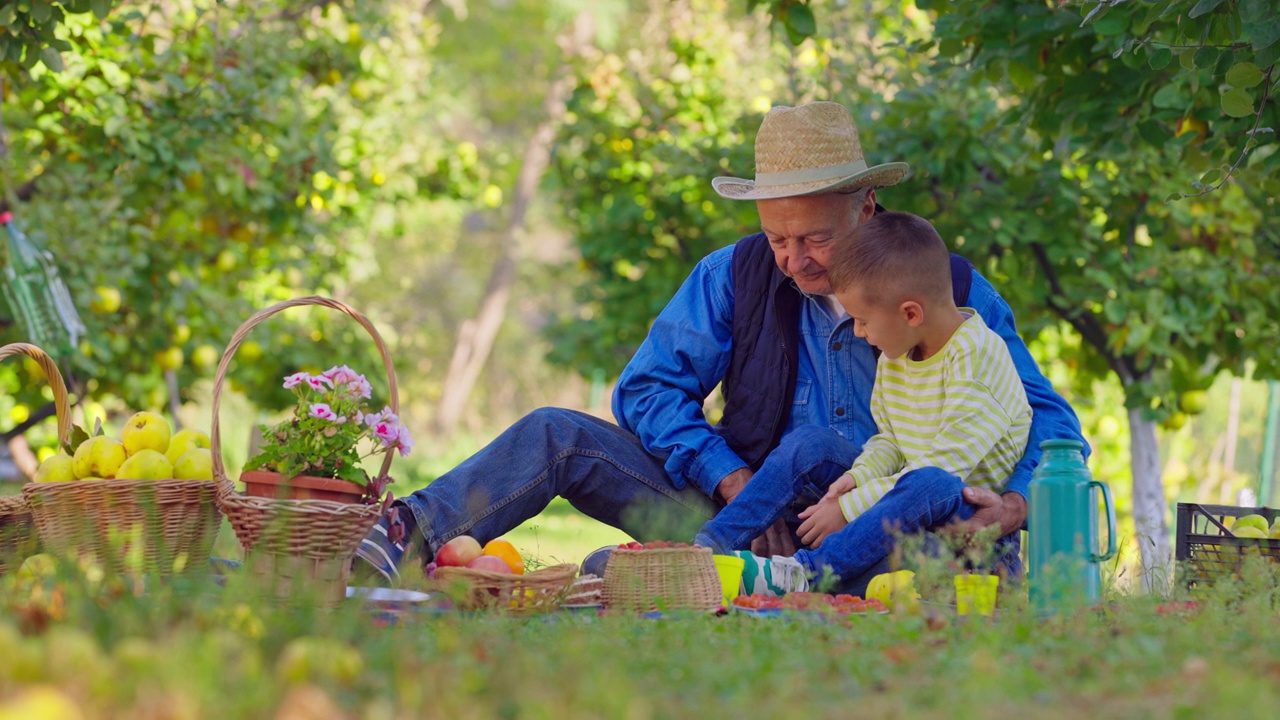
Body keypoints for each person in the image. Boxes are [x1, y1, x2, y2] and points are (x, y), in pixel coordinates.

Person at [355, 101, 1086, 595]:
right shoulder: (730, 276)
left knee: (934, 518)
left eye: (816, 238)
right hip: (733, 512)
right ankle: (401, 534)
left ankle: (716, 576)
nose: (793, 259)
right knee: (558, 432)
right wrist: (731, 478)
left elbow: (1050, 422)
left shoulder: (949, 290)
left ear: (865, 207)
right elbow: (645, 393)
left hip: (879, 525)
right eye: (778, 238)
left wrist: (1016, 505)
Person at [692, 211, 1032, 595]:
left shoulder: (977, 358)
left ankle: (803, 575)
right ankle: (707, 548)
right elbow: (890, 440)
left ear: (910, 313)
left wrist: (848, 508)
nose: (857, 331)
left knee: (930, 482)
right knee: (811, 442)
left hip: (966, 524)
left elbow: (943, 470)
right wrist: (852, 481)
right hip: (904, 500)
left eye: (863, 320)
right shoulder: (899, 351)